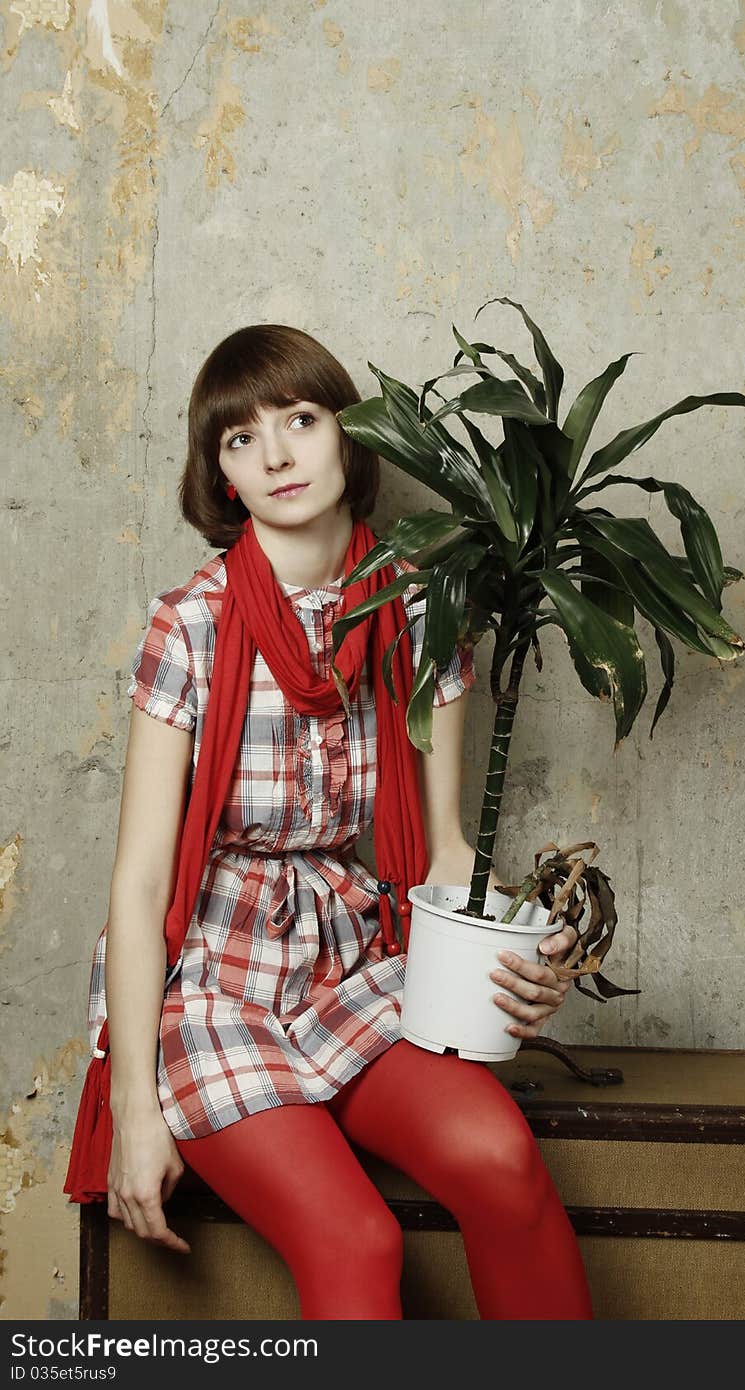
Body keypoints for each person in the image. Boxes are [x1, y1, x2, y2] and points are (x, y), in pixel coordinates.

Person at [80, 323, 592, 1321]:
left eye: (300, 421)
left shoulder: (417, 608)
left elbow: (444, 847)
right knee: (357, 1236)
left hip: (348, 960)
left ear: (347, 438)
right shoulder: (192, 624)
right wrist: (136, 1110)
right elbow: (141, 887)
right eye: (239, 439)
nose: (273, 455)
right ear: (221, 473)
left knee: (501, 1158)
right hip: (212, 989)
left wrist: (516, 957)